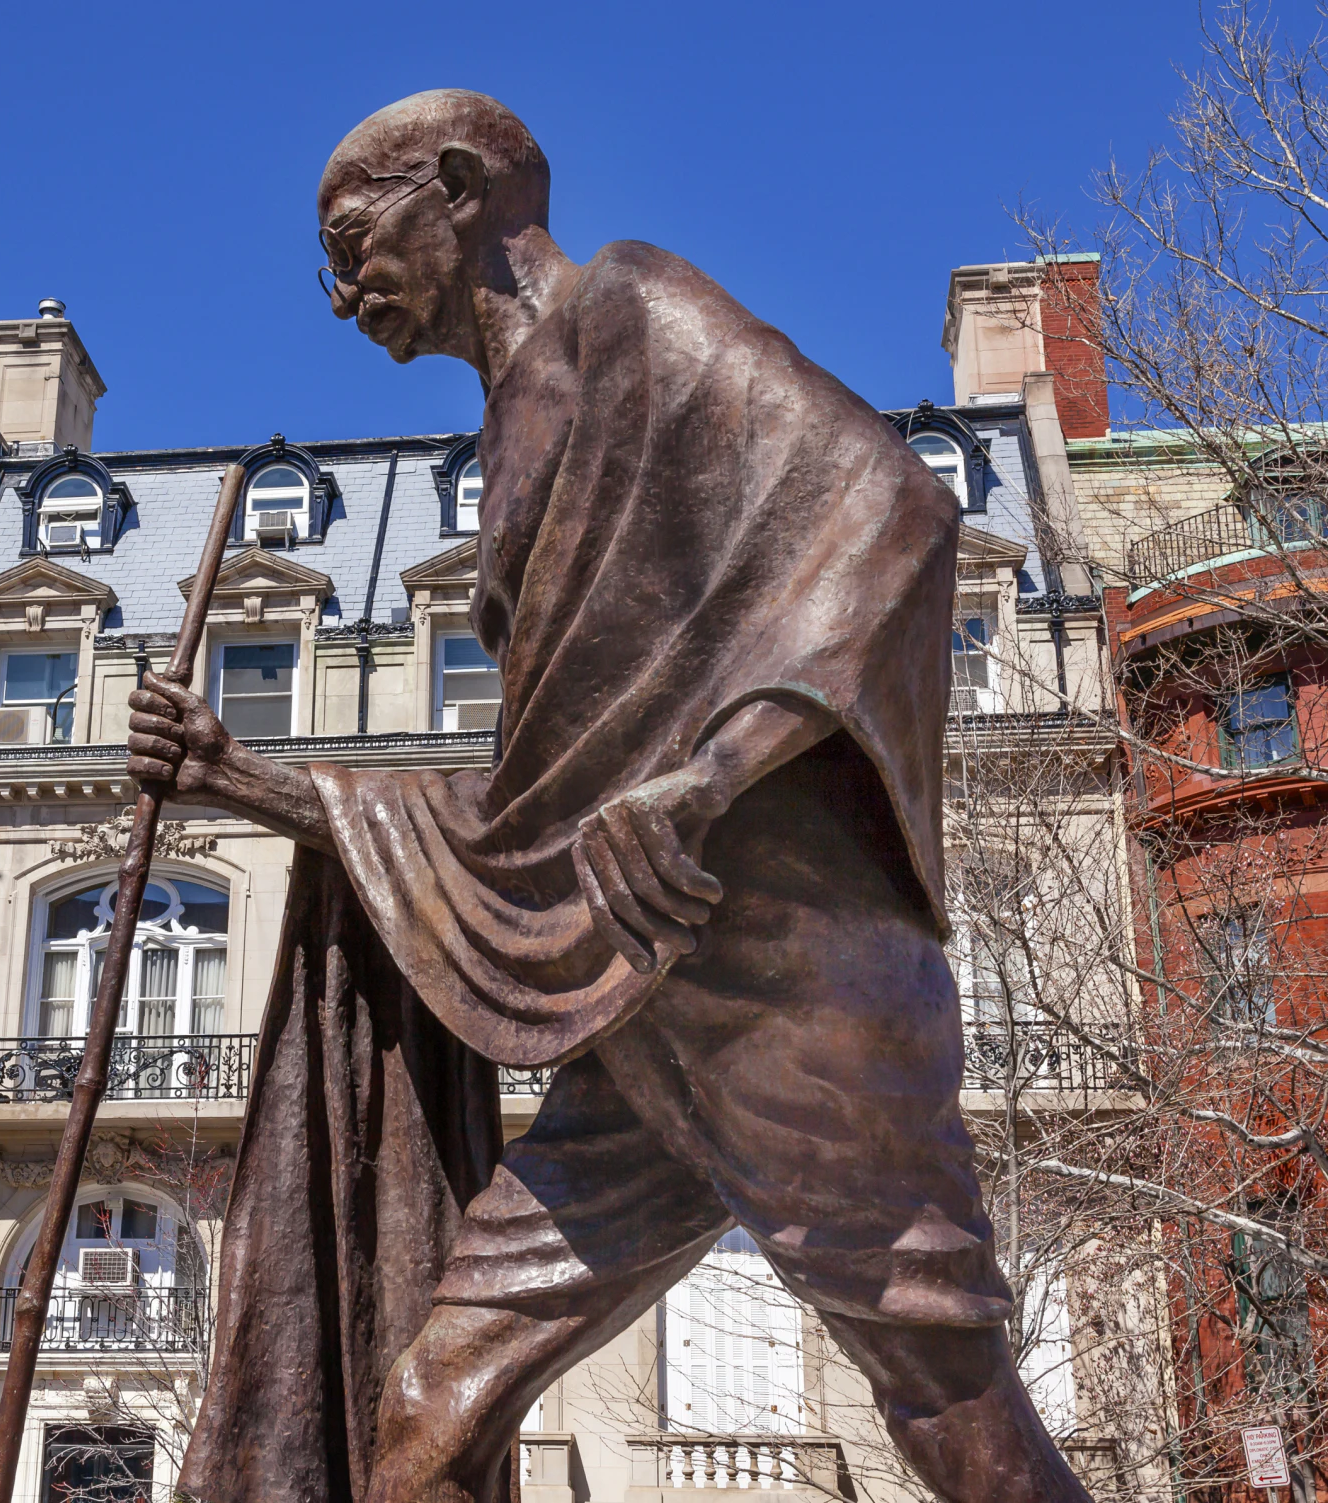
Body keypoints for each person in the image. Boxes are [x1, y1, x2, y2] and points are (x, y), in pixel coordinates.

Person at [131, 90, 1090, 1503]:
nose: (341, 296)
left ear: (455, 188)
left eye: (352, 244)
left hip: (785, 979)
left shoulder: (629, 308)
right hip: (636, 1019)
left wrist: (707, 778)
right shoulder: (500, 433)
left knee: (951, 1407)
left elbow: (885, 510)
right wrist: (241, 775)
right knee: (431, 1401)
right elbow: (538, 803)